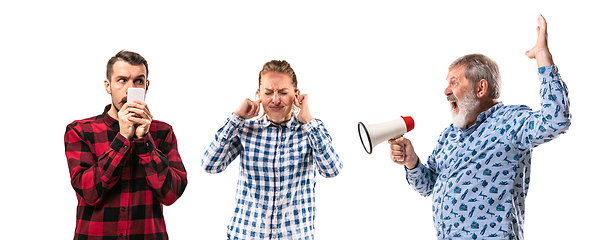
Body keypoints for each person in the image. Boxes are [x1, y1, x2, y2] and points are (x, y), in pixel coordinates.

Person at [389, 15, 570, 240]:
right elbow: (427, 187)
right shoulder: (450, 135)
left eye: (454, 82)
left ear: (480, 88)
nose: (446, 91)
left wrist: (542, 56)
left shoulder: (510, 122)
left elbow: (556, 120)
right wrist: (412, 162)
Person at [202, 60, 343, 240]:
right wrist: (236, 117)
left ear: (296, 95)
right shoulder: (245, 129)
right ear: (258, 95)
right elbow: (209, 165)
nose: (275, 99)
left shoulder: (311, 130)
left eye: (283, 93)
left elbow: (332, 170)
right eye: (268, 93)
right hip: (246, 234)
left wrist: (308, 119)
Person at [64, 50, 188, 240]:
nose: (131, 89)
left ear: (147, 86)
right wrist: (122, 138)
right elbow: (89, 193)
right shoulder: (80, 131)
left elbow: (170, 195)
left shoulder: (163, 132)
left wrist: (144, 142)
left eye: (138, 81)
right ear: (108, 86)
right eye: (122, 80)